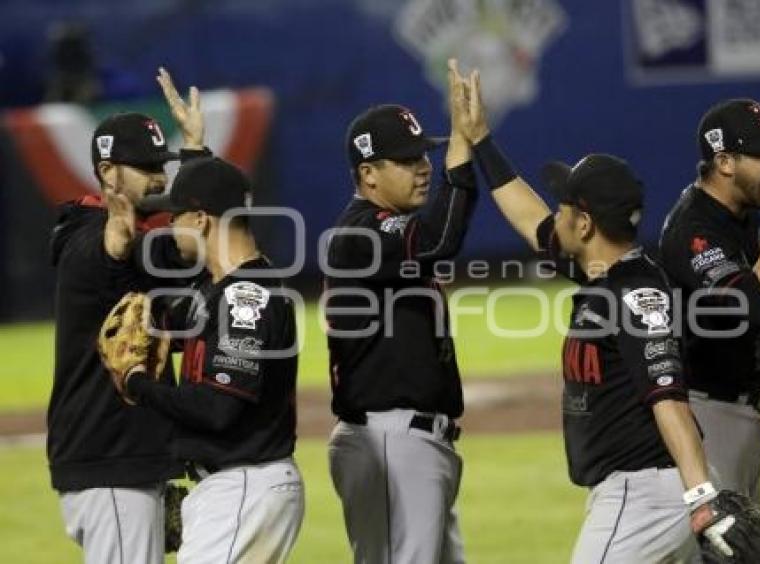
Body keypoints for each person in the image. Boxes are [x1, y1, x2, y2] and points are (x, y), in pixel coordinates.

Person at [453, 66, 760, 562]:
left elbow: (668, 399)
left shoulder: (633, 296)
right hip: (640, 492)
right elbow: (528, 218)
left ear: (585, 225)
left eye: (563, 207)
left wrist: (700, 499)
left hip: (643, 497)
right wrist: (481, 143)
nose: (553, 217)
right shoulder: (610, 275)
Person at [48, 68, 205, 563]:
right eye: (144, 166)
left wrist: (196, 152)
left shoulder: (140, 239)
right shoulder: (87, 237)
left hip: (126, 461)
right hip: (110, 463)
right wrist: (114, 241)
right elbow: (100, 253)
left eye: (163, 163)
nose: (160, 175)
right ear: (108, 171)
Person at [113, 156, 304, 562]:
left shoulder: (244, 297)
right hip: (236, 489)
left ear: (201, 219)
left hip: (243, 488)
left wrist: (137, 384)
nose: (169, 227)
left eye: (175, 216)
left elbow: (218, 409)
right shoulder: (220, 287)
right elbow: (181, 320)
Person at [325, 59, 478, 564]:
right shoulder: (361, 233)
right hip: (389, 441)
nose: (424, 166)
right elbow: (438, 237)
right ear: (368, 173)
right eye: (407, 159)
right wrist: (461, 145)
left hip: (412, 443)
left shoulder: (384, 233)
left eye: (425, 155)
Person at [659, 99, 760, 504]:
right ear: (724, 162)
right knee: (725, 547)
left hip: (737, 411)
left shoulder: (739, 214)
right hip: (709, 415)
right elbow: (756, 306)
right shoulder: (695, 230)